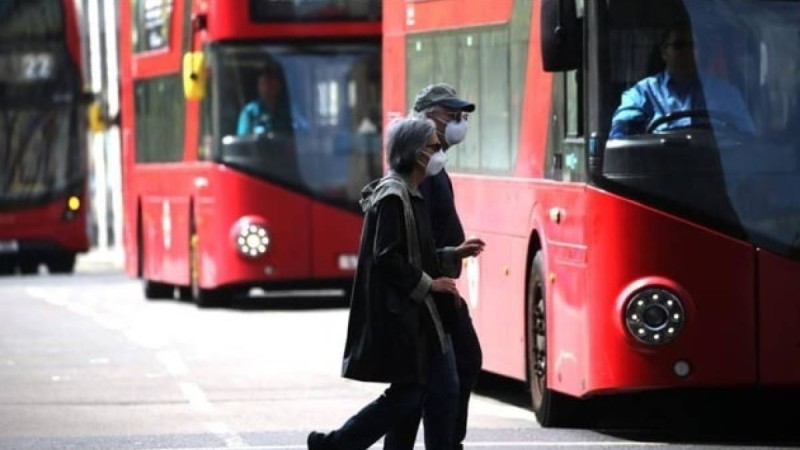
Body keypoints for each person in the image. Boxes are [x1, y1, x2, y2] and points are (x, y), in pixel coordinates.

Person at [307, 117, 484, 450]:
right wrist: (430, 285)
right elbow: (387, 257)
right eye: (433, 146)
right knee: (417, 392)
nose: (439, 152)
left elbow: (416, 252)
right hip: (402, 315)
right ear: (416, 153)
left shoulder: (409, 192)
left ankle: (335, 444)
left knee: (418, 392)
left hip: (418, 314)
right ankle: (335, 444)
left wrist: (451, 255)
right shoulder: (394, 196)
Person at [383, 83, 485, 450]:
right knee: (449, 370)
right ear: (426, 117)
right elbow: (405, 243)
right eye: (450, 114)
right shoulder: (417, 171)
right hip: (429, 289)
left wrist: (453, 255)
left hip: (438, 282)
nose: (458, 123)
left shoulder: (435, 165)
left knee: (419, 382)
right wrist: (438, 271)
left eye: (461, 115)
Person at [609, 25, 755, 138]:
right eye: (679, 46)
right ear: (664, 52)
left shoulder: (725, 93)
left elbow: (748, 139)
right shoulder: (642, 93)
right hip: (659, 173)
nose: (687, 51)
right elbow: (620, 138)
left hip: (713, 173)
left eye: (692, 46)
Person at [236, 62, 302, 136]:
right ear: (259, 86)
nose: (268, 87)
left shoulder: (291, 110)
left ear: (278, 85)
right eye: (264, 83)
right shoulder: (249, 112)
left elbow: (303, 133)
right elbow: (243, 141)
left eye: (272, 82)